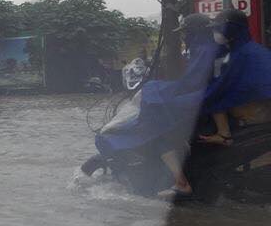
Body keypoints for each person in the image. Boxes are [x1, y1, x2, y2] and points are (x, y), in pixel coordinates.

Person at [93, 14, 221, 199]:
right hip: (203, 97)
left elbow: (192, 82)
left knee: (157, 131)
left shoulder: (205, 51)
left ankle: (181, 182)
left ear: (195, 32)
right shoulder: (203, 49)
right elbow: (191, 81)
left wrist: (160, 91)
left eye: (186, 32)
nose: (184, 36)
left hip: (201, 98)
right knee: (156, 103)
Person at [198, 9, 271, 146]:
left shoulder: (241, 54)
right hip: (262, 105)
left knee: (215, 98)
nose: (216, 33)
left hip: (258, 111)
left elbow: (222, 85)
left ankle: (224, 135)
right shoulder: (248, 48)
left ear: (232, 30)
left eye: (220, 29)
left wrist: (198, 100)